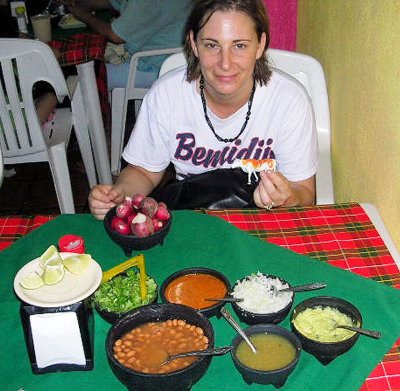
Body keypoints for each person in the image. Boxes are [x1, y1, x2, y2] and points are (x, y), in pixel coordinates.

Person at [89, 0, 318, 220]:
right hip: (194, 218)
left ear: (260, 45)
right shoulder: (167, 95)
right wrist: (118, 195)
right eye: (212, 45)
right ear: (193, 44)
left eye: (239, 46)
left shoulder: (289, 100)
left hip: (263, 220)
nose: (225, 63)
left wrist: (287, 198)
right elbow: (144, 171)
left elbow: (305, 193)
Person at [57, 0, 192, 90]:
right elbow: (116, 1)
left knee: (76, 75)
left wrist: (84, 16)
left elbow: (116, 36)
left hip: (153, 68)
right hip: (173, 61)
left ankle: (95, 130)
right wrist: (83, 2)